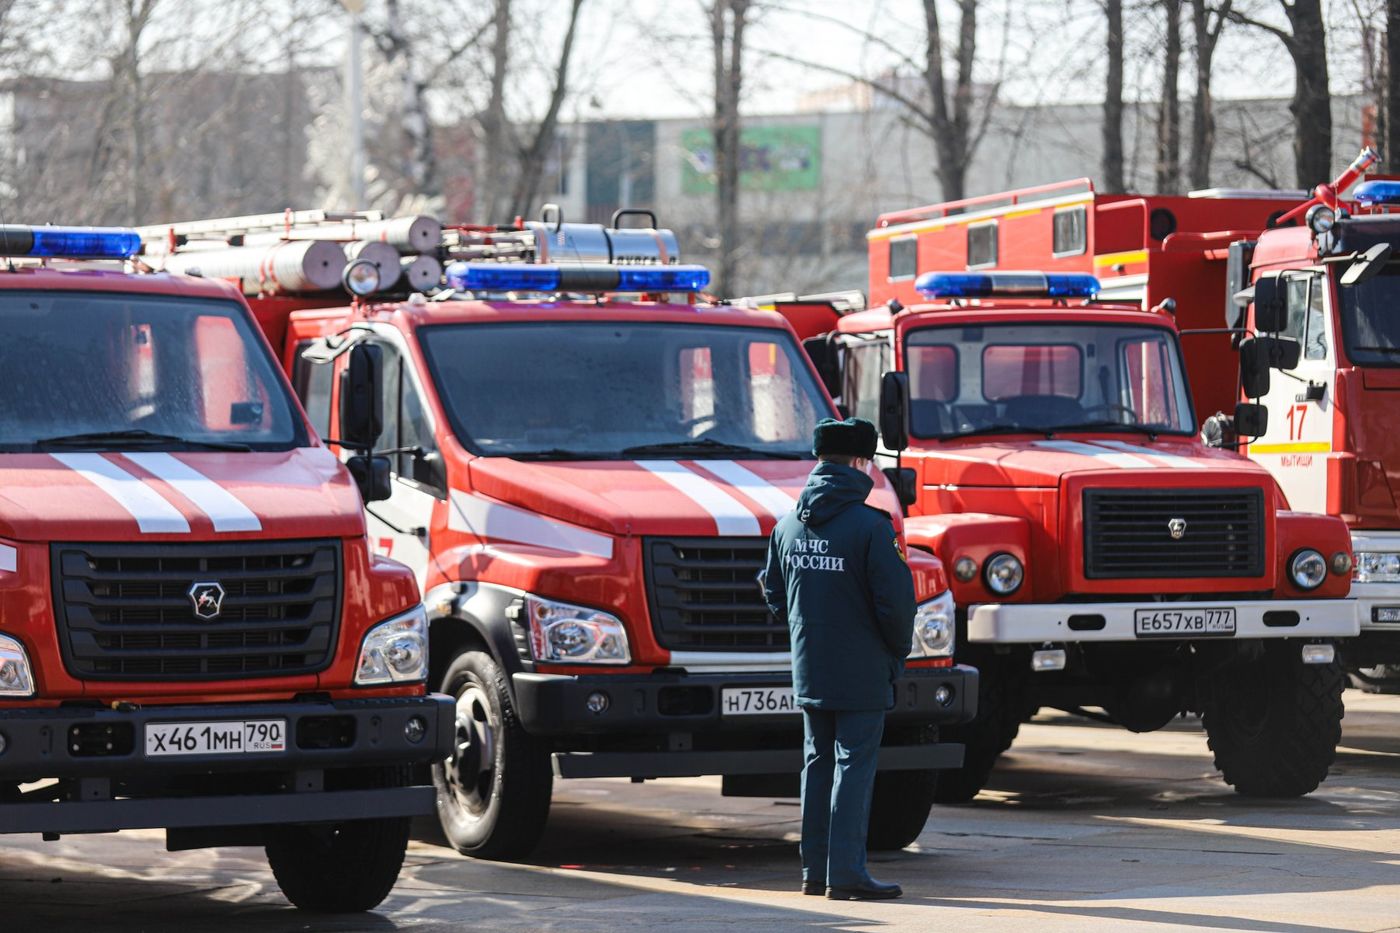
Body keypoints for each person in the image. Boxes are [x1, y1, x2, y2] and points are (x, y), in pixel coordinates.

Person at [761, 416, 917, 901]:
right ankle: (846, 873)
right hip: (862, 668)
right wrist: (896, 653)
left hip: (811, 665)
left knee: (816, 763)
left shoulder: (788, 525)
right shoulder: (873, 527)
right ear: (860, 462)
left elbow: (773, 591)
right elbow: (897, 605)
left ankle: (815, 870)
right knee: (853, 765)